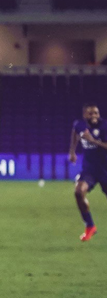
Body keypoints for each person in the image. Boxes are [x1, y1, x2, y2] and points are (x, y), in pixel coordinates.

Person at [70, 103, 107, 241]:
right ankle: (90, 226)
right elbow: (75, 131)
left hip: (105, 169)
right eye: (91, 113)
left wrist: (93, 141)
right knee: (78, 192)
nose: (94, 116)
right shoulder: (80, 125)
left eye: (96, 113)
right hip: (89, 170)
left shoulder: (104, 126)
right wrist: (72, 151)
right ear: (85, 115)